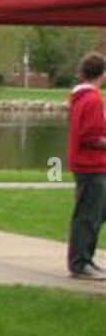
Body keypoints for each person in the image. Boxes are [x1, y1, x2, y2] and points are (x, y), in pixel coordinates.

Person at [66, 51, 106, 281]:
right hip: (91, 166)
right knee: (87, 216)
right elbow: (91, 137)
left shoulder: (83, 98)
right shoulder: (92, 100)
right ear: (102, 74)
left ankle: (85, 259)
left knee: (95, 214)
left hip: (90, 166)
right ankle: (80, 263)